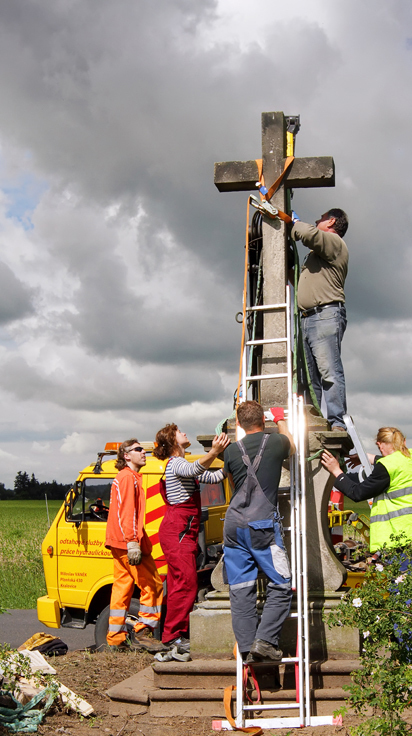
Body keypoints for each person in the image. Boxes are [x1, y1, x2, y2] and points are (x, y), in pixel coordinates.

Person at [222, 400, 296, 662]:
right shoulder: (275, 443)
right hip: (261, 525)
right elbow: (293, 446)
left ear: (239, 425)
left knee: (240, 588)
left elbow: (232, 484)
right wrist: (280, 420)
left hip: (233, 525)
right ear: (262, 422)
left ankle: (245, 648)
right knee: (282, 582)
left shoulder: (231, 451)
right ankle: (264, 641)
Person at [152, 424, 230, 662]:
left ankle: (177, 634)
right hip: (178, 531)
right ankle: (174, 636)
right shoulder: (177, 464)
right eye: (179, 432)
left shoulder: (186, 466)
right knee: (186, 583)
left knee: (179, 584)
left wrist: (232, 462)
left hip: (182, 531)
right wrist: (214, 451)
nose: (184, 433)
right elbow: (197, 467)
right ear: (172, 441)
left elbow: (214, 476)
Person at [321, 426, 412, 554]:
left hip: (405, 541)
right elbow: (399, 463)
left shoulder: (387, 467)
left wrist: (335, 470)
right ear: (404, 442)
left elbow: (357, 493)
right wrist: (371, 458)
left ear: (380, 445)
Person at [291, 208, 349, 431]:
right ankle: (311, 421)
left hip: (324, 315)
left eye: (321, 219)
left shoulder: (334, 242)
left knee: (329, 372)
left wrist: (293, 220)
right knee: (308, 378)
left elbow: (309, 235)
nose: (317, 221)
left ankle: (336, 422)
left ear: (332, 221)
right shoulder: (319, 257)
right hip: (308, 318)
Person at [104, 439, 164, 652]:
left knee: (122, 589)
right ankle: (143, 631)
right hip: (127, 541)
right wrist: (132, 542)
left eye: (144, 449)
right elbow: (127, 512)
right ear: (126, 455)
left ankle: (115, 637)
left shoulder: (126, 477)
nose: (144, 452)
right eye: (138, 449)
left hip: (118, 542)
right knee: (153, 585)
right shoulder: (128, 478)